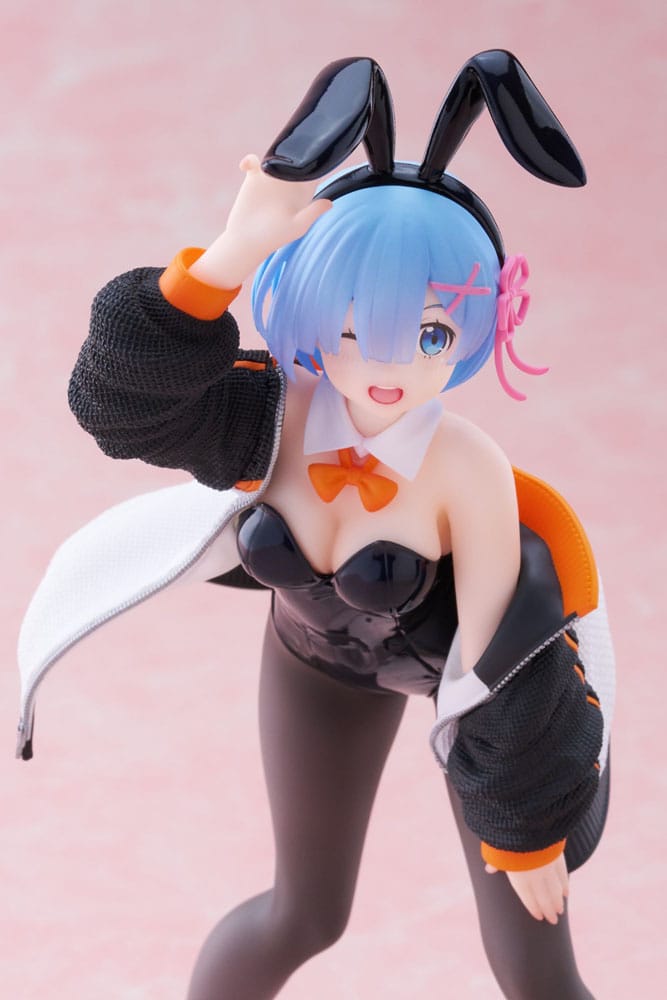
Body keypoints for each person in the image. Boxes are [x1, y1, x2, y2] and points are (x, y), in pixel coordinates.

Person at [17, 53, 614, 999]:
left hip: (458, 693)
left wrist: (525, 825)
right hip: (314, 668)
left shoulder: (464, 469)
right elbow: (118, 406)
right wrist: (227, 258)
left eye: (428, 333)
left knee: (534, 966)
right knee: (302, 912)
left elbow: (501, 657)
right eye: (351, 328)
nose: (387, 368)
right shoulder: (277, 415)